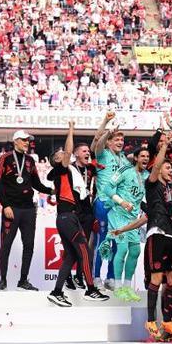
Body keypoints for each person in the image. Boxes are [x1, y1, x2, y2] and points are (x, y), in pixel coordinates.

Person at [45, 122, 109, 306]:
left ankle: (56, 292)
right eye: (60, 155)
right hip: (68, 218)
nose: (64, 155)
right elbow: (68, 151)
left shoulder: (69, 172)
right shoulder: (61, 169)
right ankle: (91, 289)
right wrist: (71, 129)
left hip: (66, 217)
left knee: (71, 256)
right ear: (57, 161)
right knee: (85, 251)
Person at [143, 133, 172, 340]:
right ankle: (150, 321)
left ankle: (168, 322)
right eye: (167, 167)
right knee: (156, 277)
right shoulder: (152, 183)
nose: (170, 169)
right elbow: (155, 167)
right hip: (158, 232)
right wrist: (165, 146)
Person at [0, 130, 53, 291]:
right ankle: (3, 280)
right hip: (12, 208)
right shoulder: (5, 158)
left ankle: (23, 280)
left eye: (28, 140)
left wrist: (52, 191)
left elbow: (36, 183)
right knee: (6, 245)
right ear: (15, 141)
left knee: (28, 245)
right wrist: (5, 205)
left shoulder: (30, 160)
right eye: (24, 140)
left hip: (28, 209)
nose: (27, 142)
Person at [101, 146, 149, 301]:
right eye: (142, 156)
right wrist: (121, 202)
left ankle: (128, 288)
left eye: (147, 156)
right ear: (135, 158)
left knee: (135, 251)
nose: (145, 158)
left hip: (133, 219)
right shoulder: (125, 170)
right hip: (118, 214)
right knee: (122, 249)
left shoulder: (146, 176)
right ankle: (117, 286)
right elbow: (107, 188)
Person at [91, 112, 128, 290]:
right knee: (102, 240)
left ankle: (111, 278)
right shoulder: (103, 154)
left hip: (118, 206)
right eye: (116, 139)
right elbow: (97, 143)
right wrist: (107, 127)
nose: (120, 142)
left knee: (116, 242)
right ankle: (96, 277)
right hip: (103, 202)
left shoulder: (124, 159)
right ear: (109, 142)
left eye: (122, 140)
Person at [65, 141, 97, 290]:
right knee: (72, 246)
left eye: (88, 151)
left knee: (84, 245)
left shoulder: (91, 168)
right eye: (84, 151)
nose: (87, 153)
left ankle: (79, 275)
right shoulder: (69, 168)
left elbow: (100, 184)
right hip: (73, 210)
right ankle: (67, 276)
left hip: (87, 211)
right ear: (76, 153)